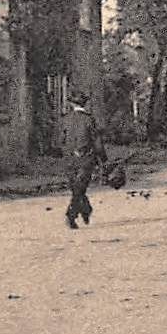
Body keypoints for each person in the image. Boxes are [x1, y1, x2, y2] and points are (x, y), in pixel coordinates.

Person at [62, 90, 108, 230]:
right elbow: (97, 141)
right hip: (85, 158)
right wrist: (103, 158)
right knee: (79, 189)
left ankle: (85, 209)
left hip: (69, 158)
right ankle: (72, 214)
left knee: (77, 188)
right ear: (85, 104)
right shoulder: (89, 120)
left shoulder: (65, 119)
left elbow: (59, 140)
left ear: (71, 104)